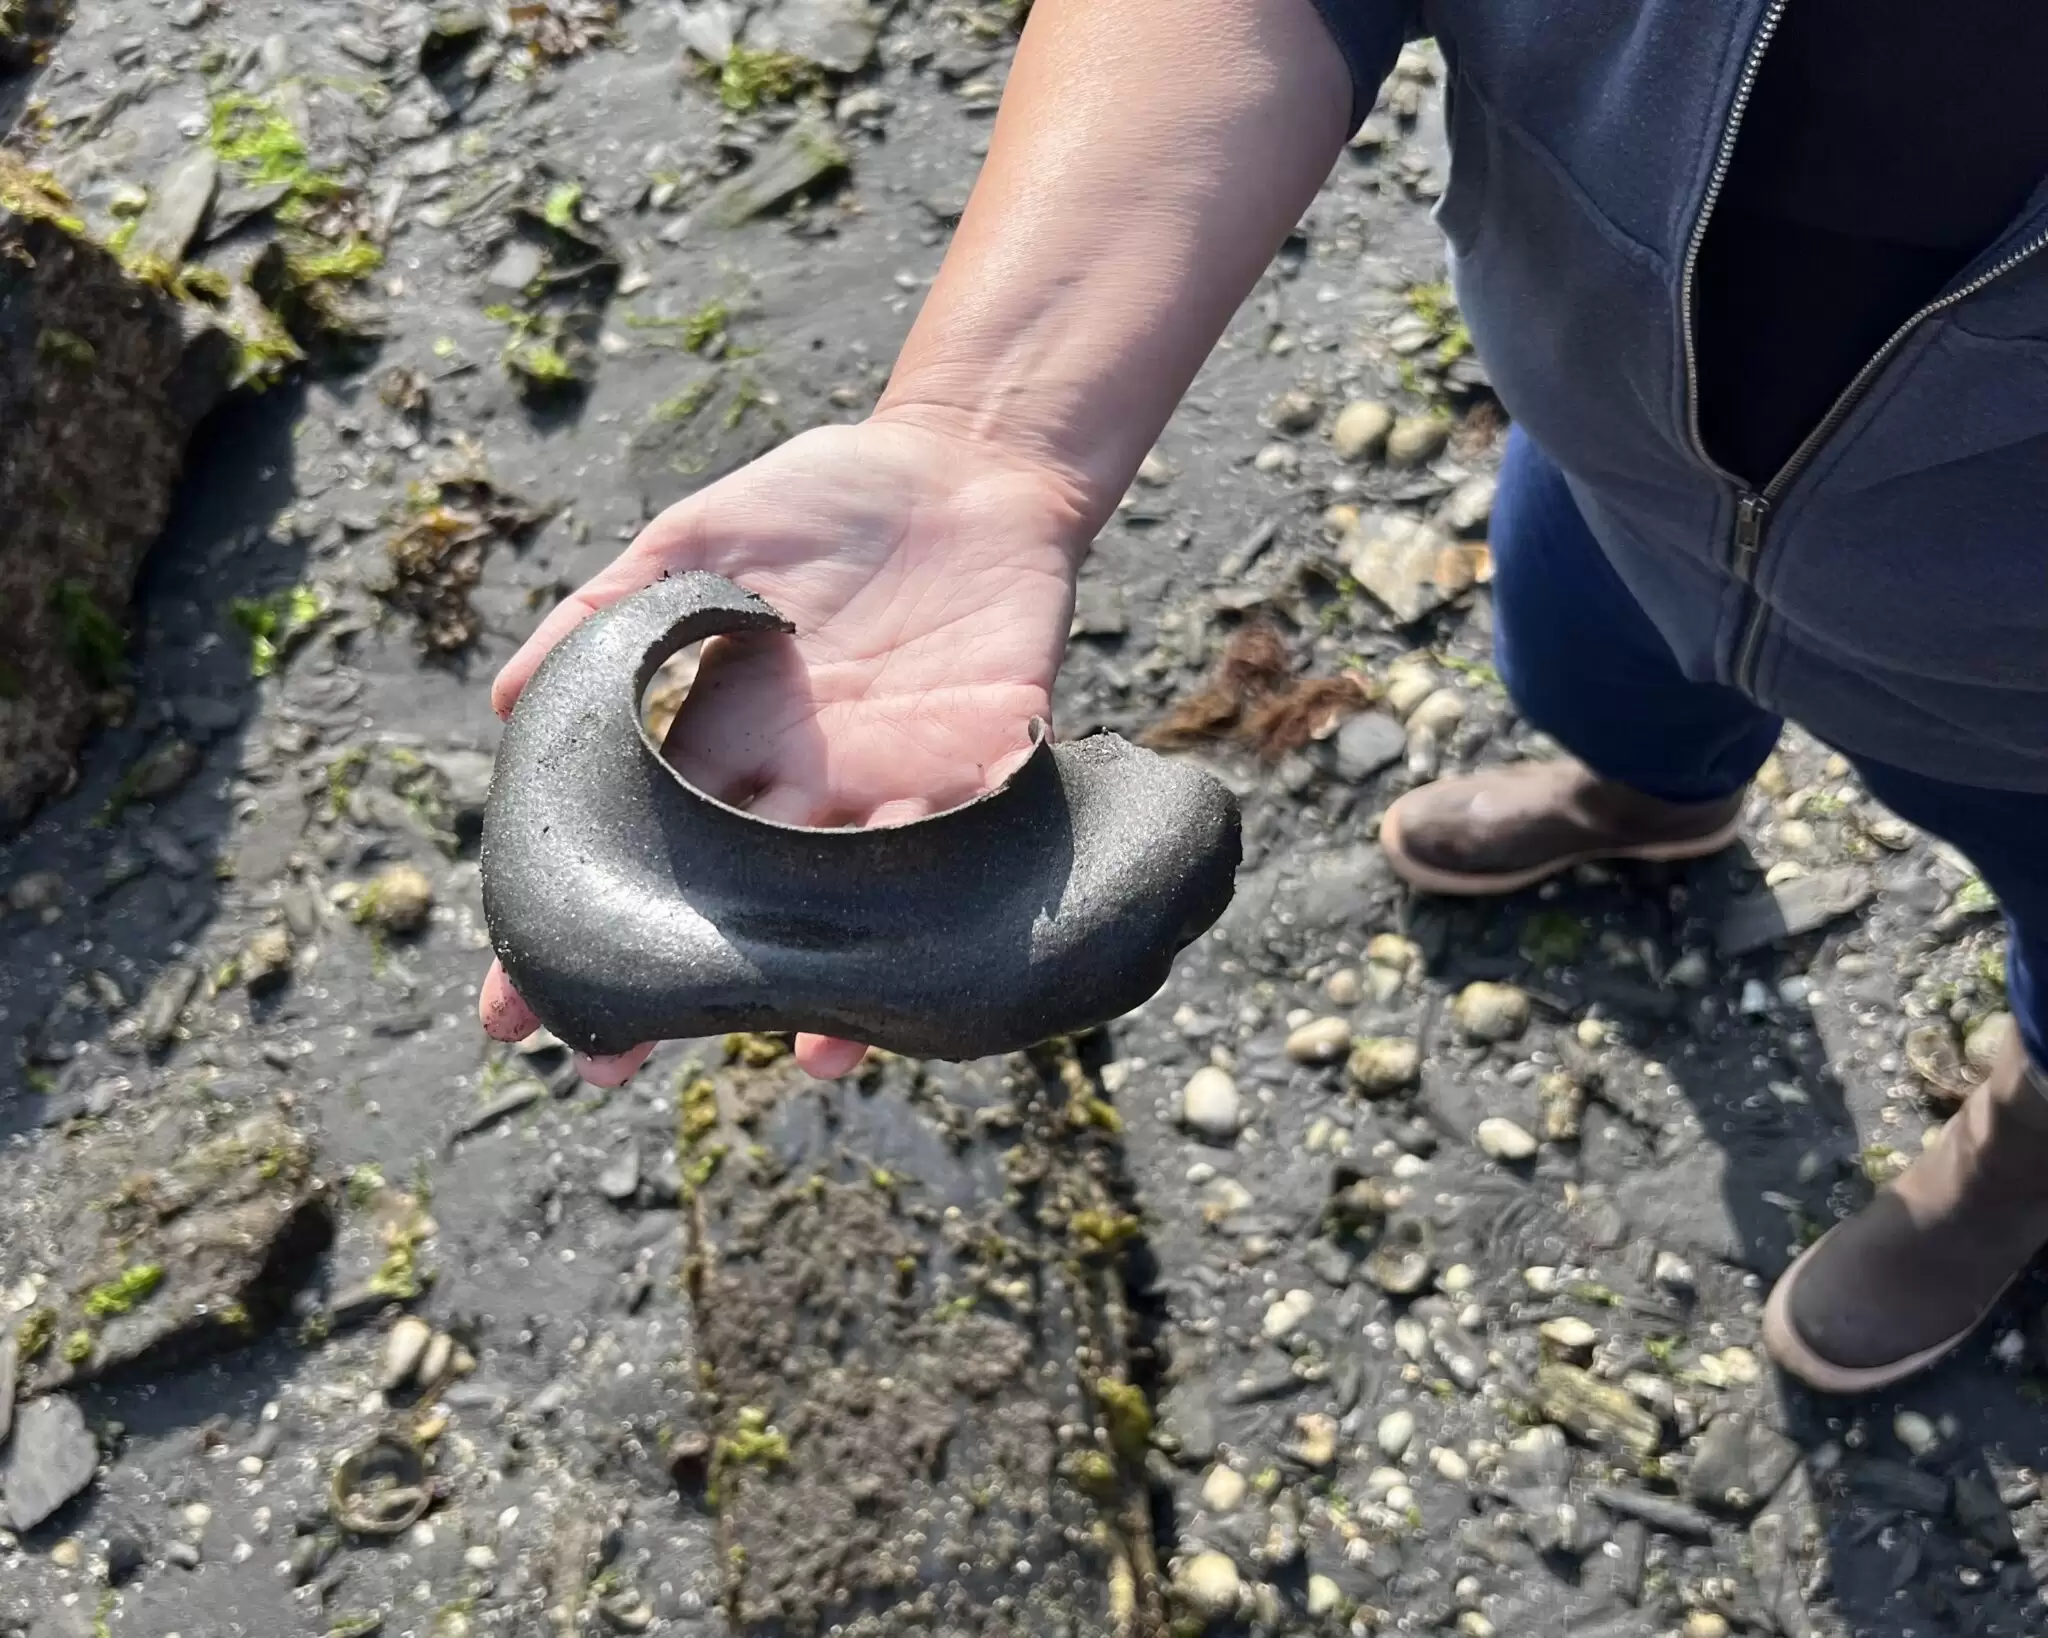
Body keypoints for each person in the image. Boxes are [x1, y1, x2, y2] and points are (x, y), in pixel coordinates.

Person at [479, 0, 2048, 1395]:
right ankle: (1656, 799)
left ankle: (2026, 1135)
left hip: (2017, 660)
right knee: (1584, 656)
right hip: (1615, 460)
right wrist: (986, 427)